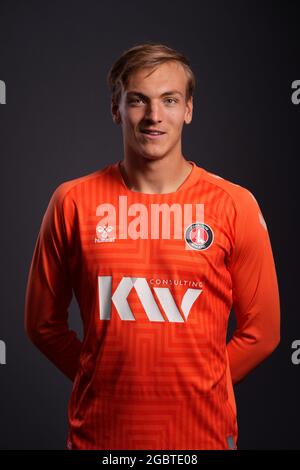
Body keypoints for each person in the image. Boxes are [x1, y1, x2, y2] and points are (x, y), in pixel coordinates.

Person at [24, 42, 281, 450]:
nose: (154, 116)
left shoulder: (234, 204)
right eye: (139, 101)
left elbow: (263, 332)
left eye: (170, 100)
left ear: (189, 109)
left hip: (202, 437)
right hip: (100, 438)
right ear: (116, 108)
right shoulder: (72, 203)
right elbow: (42, 324)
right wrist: (103, 377)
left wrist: (196, 388)